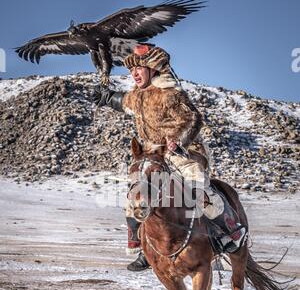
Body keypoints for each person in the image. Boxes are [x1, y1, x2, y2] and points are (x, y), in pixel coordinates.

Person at [94, 45, 247, 271]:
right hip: (154, 154)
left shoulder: (171, 93)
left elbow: (195, 119)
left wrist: (180, 141)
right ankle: (143, 248)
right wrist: (107, 98)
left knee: (199, 189)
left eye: (140, 68)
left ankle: (229, 232)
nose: (134, 73)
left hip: (183, 152)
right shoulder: (136, 96)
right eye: (132, 70)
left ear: (153, 69)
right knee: (135, 195)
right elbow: (123, 103)